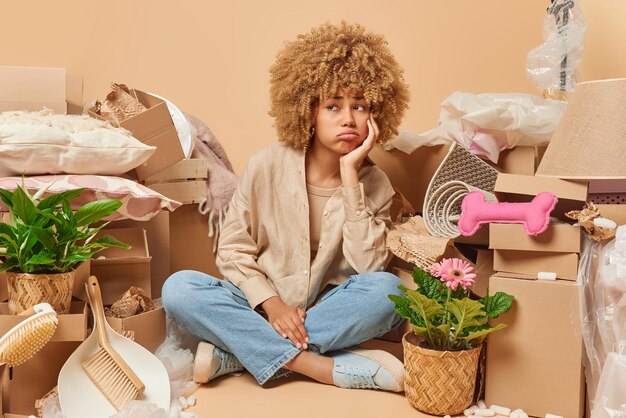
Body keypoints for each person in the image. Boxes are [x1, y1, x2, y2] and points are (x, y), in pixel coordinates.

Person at [162, 21, 411, 392]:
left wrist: (349, 177)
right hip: (258, 305)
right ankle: (313, 366)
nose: (348, 118)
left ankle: (235, 355)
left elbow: (368, 267)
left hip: (325, 312)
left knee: (390, 293)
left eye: (359, 105)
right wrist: (272, 304)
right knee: (179, 289)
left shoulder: (375, 185)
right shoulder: (266, 165)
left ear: (375, 115)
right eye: (333, 105)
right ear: (308, 110)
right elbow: (232, 249)